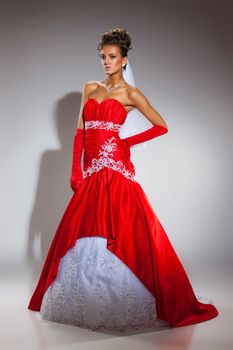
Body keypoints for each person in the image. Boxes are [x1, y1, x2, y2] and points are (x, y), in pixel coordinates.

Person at [27, 28, 219, 333]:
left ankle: (123, 296)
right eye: (103, 56)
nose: (106, 62)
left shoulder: (130, 94)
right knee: (84, 225)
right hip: (91, 170)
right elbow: (80, 133)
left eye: (112, 57)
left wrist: (127, 144)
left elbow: (161, 125)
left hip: (114, 167)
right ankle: (85, 296)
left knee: (122, 226)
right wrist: (75, 170)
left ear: (124, 60)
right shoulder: (90, 87)